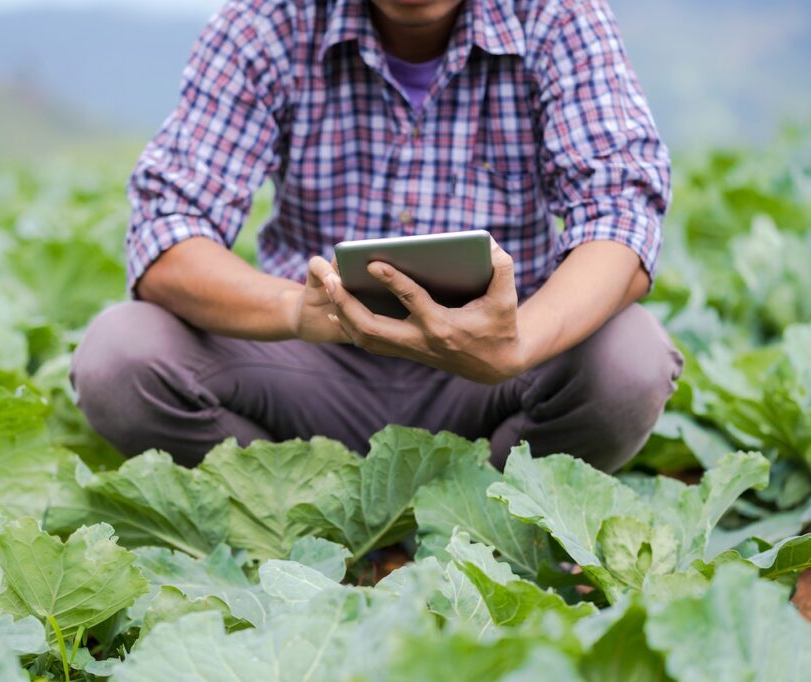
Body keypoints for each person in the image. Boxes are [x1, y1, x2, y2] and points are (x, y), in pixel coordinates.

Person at [71, 0, 684, 471]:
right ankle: (299, 510)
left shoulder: (557, 16)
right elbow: (167, 228)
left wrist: (520, 343)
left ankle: (487, 517)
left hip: (493, 371)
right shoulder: (267, 22)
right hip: (308, 369)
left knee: (627, 362)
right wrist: (294, 308)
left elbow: (620, 211)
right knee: (120, 355)